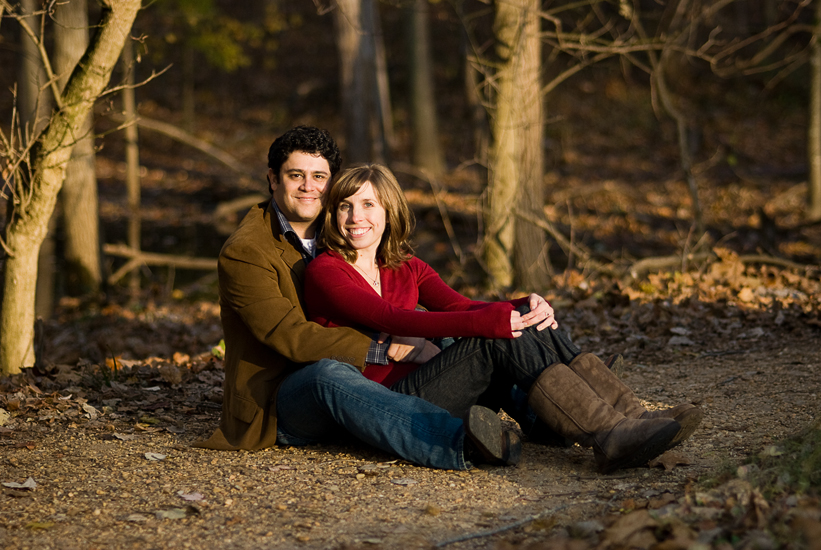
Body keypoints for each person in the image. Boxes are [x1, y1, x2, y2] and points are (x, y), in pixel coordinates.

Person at [304, 163, 703, 474]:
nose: (357, 216)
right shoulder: (326, 271)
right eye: (345, 205)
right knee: (492, 333)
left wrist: (523, 306)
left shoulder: (405, 265)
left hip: (430, 383)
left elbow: (460, 306)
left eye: (369, 204)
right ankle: (611, 434)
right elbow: (392, 317)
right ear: (334, 213)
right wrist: (494, 321)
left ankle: (630, 416)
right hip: (395, 405)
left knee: (521, 319)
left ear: (389, 210)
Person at [194, 126, 522, 471]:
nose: (309, 187)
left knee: (456, 335)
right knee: (327, 374)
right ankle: (458, 442)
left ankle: (541, 415)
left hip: (363, 382)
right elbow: (289, 336)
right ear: (273, 179)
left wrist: (516, 308)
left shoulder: (343, 225)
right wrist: (383, 346)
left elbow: (410, 295)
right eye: (295, 175)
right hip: (283, 399)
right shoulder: (246, 251)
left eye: (319, 176)